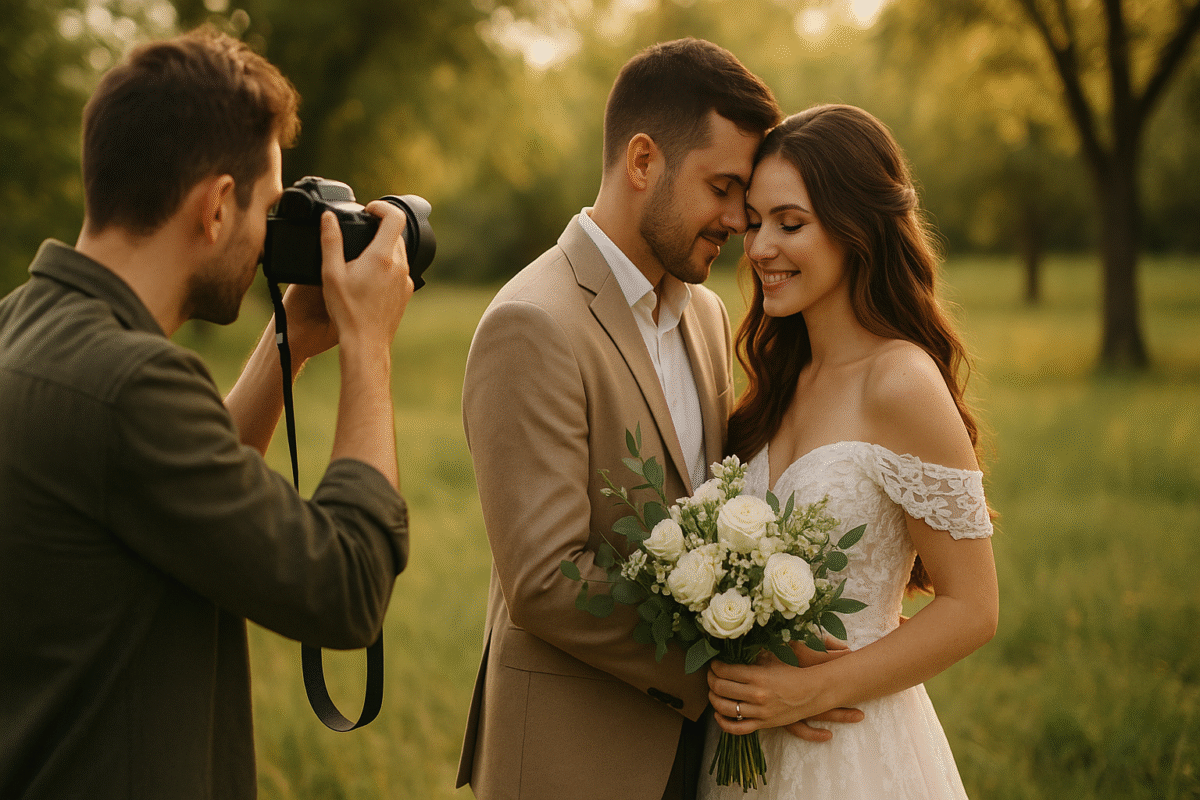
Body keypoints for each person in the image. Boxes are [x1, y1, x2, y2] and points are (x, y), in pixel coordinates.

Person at [0, 28, 413, 799]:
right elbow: (349, 589)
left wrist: (288, 346)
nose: (267, 238)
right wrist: (369, 348)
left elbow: (169, 487)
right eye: (266, 205)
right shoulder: (132, 386)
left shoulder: (20, 332)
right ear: (218, 206)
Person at [454, 38, 786, 800]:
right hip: (575, 757)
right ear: (643, 162)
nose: (739, 218)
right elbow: (544, 578)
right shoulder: (533, 322)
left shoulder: (702, 312)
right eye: (724, 187)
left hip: (694, 756)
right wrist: (729, 653)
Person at [700, 104, 999, 799]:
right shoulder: (777, 381)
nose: (760, 247)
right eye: (757, 221)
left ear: (855, 228)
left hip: (852, 753)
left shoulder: (901, 382)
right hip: (741, 752)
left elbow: (973, 607)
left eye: (790, 223)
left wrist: (810, 692)